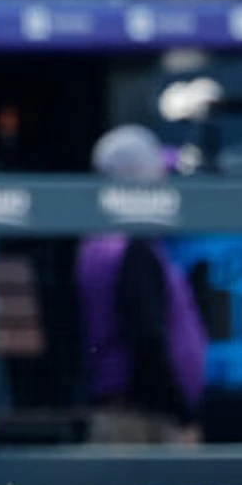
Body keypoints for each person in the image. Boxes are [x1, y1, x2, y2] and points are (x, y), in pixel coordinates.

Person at [77, 125, 207, 444]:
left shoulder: (100, 241)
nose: (165, 185)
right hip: (143, 421)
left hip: (126, 411)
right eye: (159, 174)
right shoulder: (128, 247)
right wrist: (182, 413)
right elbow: (146, 339)